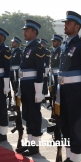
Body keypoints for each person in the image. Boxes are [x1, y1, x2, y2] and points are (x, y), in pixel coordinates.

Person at [16, 19, 45, 156]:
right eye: (24, 30)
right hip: (25, 85)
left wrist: (39, 91)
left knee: (34, 115)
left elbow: (40, 71)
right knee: (27, 115)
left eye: (26, 30)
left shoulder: (38, 48)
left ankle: (35, 146)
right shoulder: (27, 47)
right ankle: (29, 143)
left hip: (33, 86)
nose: (24, 32)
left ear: (34, 32)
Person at [58, 11, 81, 162]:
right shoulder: (65, 44)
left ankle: (77, 158)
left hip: (76, 90)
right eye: (65, 23)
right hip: (63, 89)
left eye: (69, 23)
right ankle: (69, 157)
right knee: (64, 123)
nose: (65, 25)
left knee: (75, 125)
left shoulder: (79, 44)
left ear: (77, 26)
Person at [8, 37, 22, 110]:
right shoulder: (12, 51)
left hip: (16, 72)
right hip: (11, 72)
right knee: (13, 89)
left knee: (16, 89)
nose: (12, 43)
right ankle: (14, 104)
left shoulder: (19, 52)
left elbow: (21, 63)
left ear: (17, 43)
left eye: (13, 42)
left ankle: (17, 104)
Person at [40, 39, 50, 103]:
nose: (42, 45)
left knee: (44, 83)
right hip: (39, 68)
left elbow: (47, 61)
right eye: (41, 43)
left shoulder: (47, 51)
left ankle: (43, 96)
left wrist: (46, 70)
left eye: (43, 44)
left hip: (44, 68)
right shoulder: (38, 50)